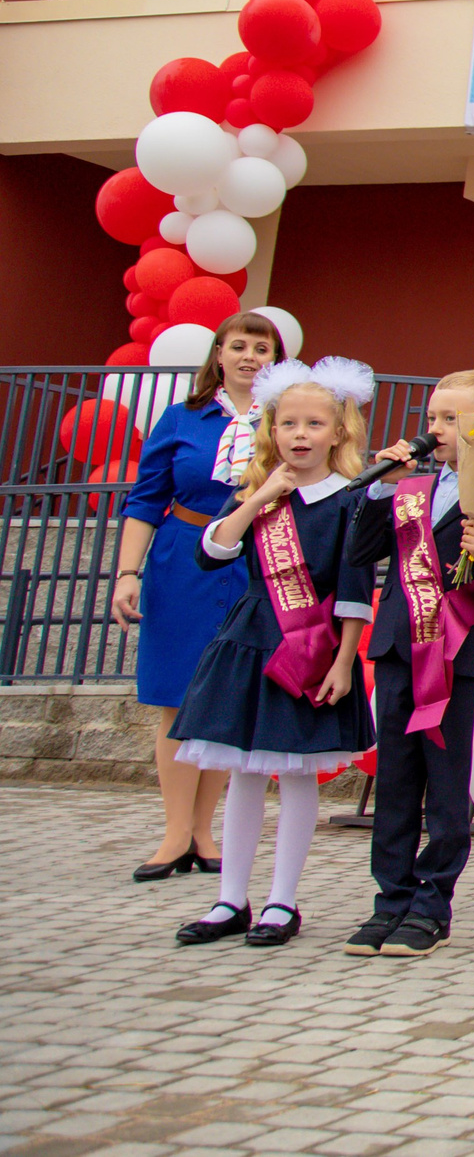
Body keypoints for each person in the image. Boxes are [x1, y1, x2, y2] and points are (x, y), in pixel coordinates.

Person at [167, 358, 376, 948]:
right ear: (273, 430)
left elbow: (356, 589)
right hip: (252, 638)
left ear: (338, 432)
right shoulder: (262, 494)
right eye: (289, 424)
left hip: (311, 647)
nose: (301, 434)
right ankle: (230, 898)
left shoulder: (349, 501)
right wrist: (261, 495)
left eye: (314, 423)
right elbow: (213, 553)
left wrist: (342, 661)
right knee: (243, 774)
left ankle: (283, 900)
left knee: (295, 772)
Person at [343, 368, 474, 958]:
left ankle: (431, 903)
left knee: (444, 788)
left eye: (452, 419)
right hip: (398, 649)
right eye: (431, 418)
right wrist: (381, 486)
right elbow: (359, 551)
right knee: (394, 780)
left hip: (452, 660)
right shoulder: (409, 490)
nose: (437, 429)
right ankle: (389, 901)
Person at [111, 311, 279, 881]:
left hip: (253, 560)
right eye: (239, 346)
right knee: (176, 697)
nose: (250, 357)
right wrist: (127, 573)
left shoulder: (283, 421)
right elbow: (144, 498)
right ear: (219, 355)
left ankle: (206, 832)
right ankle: (174, 832)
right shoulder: (182, 418)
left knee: (227, 696)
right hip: (183, 559)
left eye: (262, 347)